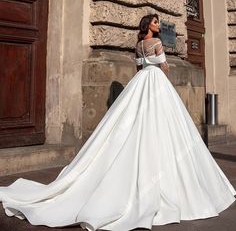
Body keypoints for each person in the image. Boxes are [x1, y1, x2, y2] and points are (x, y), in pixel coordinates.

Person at [0, 14, 235, 231]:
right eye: (154, 21)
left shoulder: (138, 45)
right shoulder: (156, 44)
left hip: (141, 80)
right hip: (156, 82)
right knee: (163, 125)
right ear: (148, 25)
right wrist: (166, 86)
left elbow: (138, 67)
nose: (157, 24)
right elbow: (164, 67)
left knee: (136, 122)